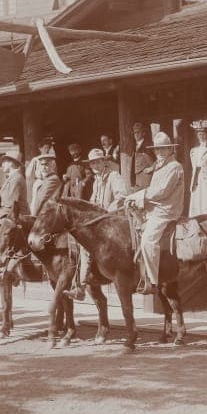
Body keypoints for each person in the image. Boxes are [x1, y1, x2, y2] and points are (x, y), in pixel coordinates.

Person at [124, 128, 185, 292]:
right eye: (157, 149)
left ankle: (152, 281)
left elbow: (162, 191)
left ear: (171, 149)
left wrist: (139, 195)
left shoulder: (174, 167)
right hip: (155, 209)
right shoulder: (160, 166)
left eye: (163, 148)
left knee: (148, 241)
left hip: (166, 211)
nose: (160, 152)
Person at [67, 147, 129, 299]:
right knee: (77, 238)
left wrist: (106, 212)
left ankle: (81, 285)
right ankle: (81, 282)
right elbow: (93, 202)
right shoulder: (97, 181)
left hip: (113, 221)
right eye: (92, 163)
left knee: (86, 245)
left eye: (98, 162)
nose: (95, 166)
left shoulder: (114, 176)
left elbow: (121, 196)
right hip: (100, 222)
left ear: (104, 162)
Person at [0, 154, 29, 219]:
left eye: (4, 162)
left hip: (17, 218)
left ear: (11, 163)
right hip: (11, 215)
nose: (2, 165)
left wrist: (0, 217)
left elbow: (11, 204)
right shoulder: (12, 177)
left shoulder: (16, 178)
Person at [25, 136, 56, 202]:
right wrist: (37, 177)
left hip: (50, 182)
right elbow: (28, 173)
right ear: (40, 149)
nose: (47, 150)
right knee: (38, 201)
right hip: (40, 182)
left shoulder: (52, 160)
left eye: (48, 148)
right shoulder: (35, 160)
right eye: (45, 148)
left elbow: (55, 172)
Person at [132, 121, 155, 188]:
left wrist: (152, 168)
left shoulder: (149, 145)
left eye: (138, 132)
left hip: (147, 179)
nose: (136, 135)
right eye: (135, 133)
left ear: (143, 133)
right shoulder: (133, 146)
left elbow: (159, 159)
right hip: (137, 180)